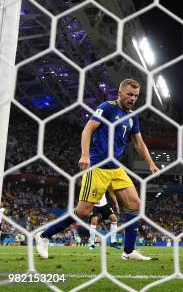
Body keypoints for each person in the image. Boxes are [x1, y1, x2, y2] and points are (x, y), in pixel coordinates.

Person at [34, 79, 159, 261]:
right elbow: (88, 130)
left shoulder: (132, 117)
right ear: (120, 93)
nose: (133, 99)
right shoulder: (107, 108)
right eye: (129, 94)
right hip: (98, 166)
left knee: (135, 204)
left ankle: (129, 251)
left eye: (136, 96)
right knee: (83, 212)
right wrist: (85, 155)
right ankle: (44, 235)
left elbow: (139, 143)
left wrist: (151, 163)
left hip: (116, 169)